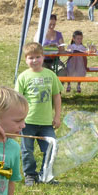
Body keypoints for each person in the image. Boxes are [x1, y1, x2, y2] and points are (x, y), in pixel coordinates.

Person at [15, 42, 62, 186]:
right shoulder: (23, 77)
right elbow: (17, 99)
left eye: (38, 57)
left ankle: (45, 174)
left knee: (51, 149)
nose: (34, 60)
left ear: (43, 57)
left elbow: (56, 95)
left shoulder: (50, 75)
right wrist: (18, 119)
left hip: (46, 122)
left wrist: (57, 116)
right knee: (27, 150)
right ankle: (30, 175)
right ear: (25, 59)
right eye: (31, 57)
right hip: (27, 122)